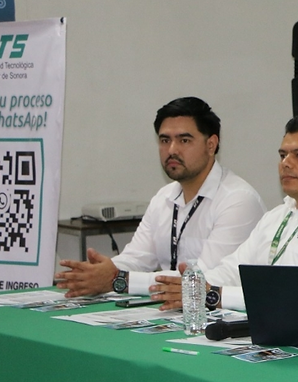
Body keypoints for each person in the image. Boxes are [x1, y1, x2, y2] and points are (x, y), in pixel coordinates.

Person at [150, 114, 298, 310]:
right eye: (282, 155)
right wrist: (194, 285)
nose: (286, 163)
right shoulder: (278, 215)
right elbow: (235, 269)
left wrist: (213, 295)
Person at [55, 97, 265, 297]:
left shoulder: (238, 200)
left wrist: (117, 279)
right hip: (170, 307)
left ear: (211, 145)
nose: (172, 150)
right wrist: (100, 272)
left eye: (184, 140)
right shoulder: (164, 197)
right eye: (165, 140)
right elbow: (137, 257)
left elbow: (204, 278)